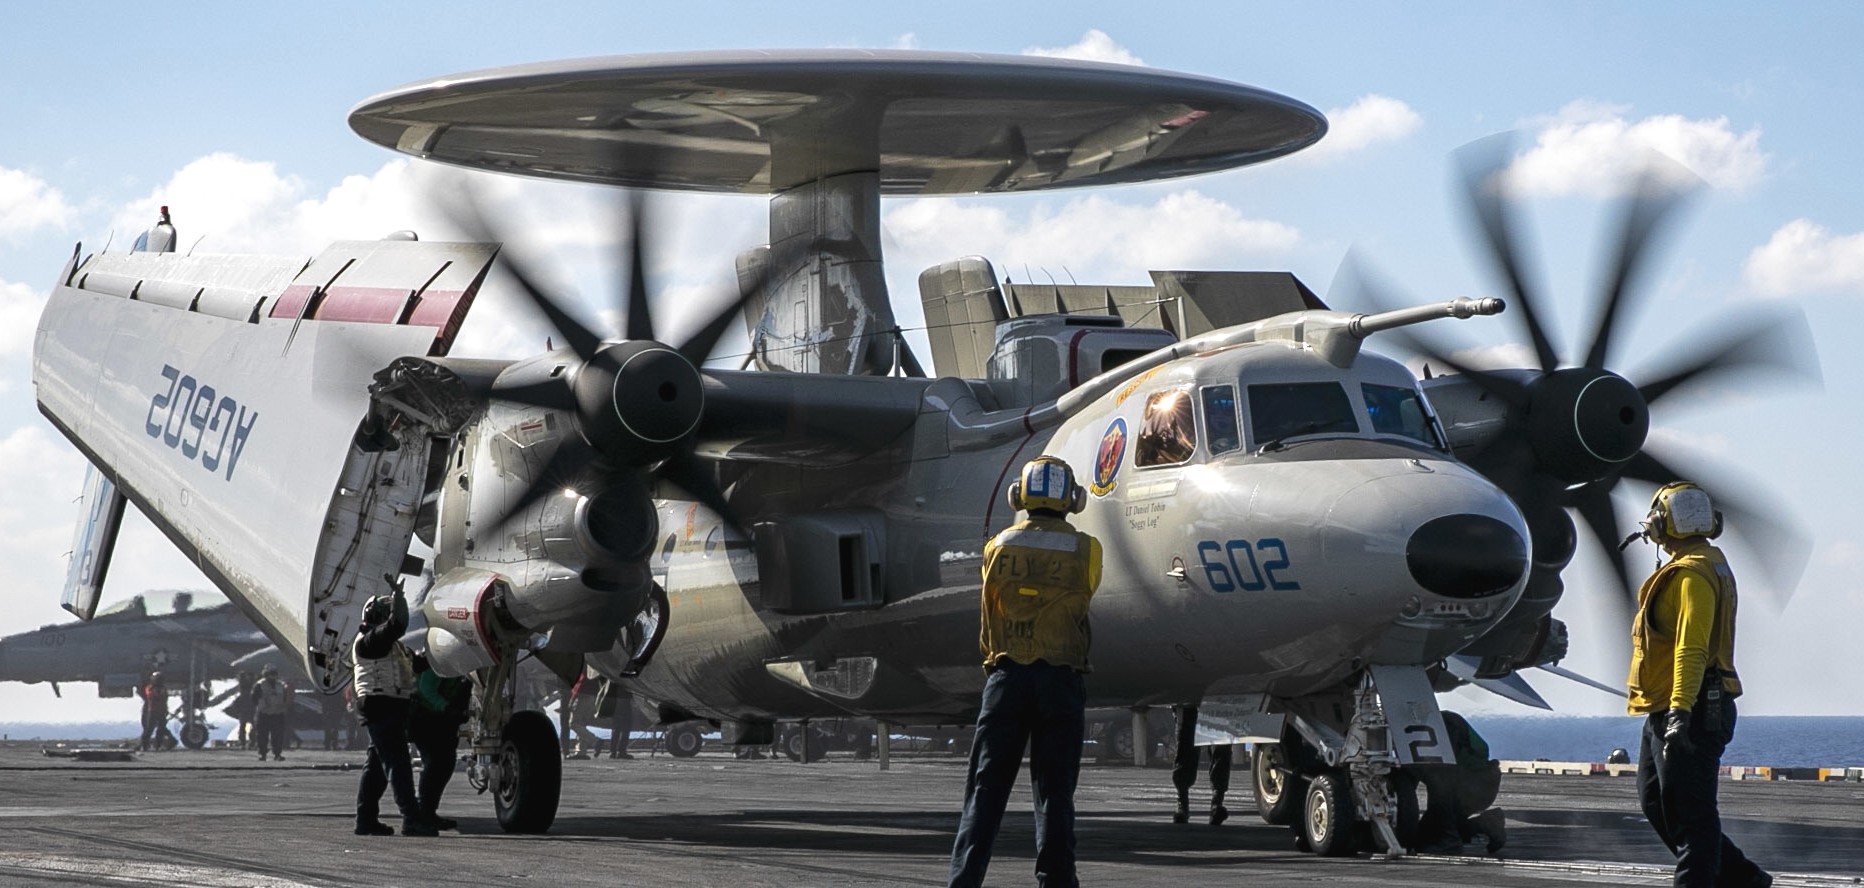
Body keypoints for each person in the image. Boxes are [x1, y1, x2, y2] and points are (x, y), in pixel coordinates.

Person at [947, 456, 1101, 888]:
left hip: (1006, 680)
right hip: (1060, 681)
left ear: (1020, 495)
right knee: (1055, 795)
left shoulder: (997, 546)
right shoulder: (1086, 549)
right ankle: (1056, 881)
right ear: (1072, 500)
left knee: (984, 793)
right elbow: (1087, 591)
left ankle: (964, 881)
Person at [1624, 482, 1771, 888]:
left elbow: (1692, 648)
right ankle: (1745, 878)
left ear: (1660, 522)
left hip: (1690, 707)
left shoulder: (1692, 574)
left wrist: (1680, 712)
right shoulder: (1707, 562)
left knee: (1693, 818)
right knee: (1655, 801)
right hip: (1669, 705)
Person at [352, 586, 437, 838]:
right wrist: (400, 597)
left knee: (377, 768)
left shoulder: (392, 647)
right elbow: (398, 624)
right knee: (398, 765)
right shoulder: (371, 641)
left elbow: (420, 663)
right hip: (381, 707)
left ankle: (365, 820)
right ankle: (411, 819)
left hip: (388, 708)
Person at [1408, 710, 1505, 855]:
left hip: (1472, 786)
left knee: (1429, 836)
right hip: (1473, 785)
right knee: (1420, 837)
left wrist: (1447, 838)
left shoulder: (1446, 724)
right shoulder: (1429, 726)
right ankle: (1486, 824)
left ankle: (1449, 840)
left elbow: (1441, 781)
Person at [409, 652, 471, 831]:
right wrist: (446, 707)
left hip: (442, 722)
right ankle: (425, 812)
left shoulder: (458, 665)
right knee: (436, 764)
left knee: (444, 764)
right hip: (427, 720)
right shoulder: (442, 660)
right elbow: (425, 688)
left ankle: (427, 811)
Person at [1168, 705, 1232, 825]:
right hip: (1188, 697)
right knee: (1185, 745)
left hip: (1214, 699)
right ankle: (1183, 803)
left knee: (1220, 747)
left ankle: (1216, 803)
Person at [252, 664, 290, 760]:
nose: (273, 676)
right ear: (266, 674)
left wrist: (283, 707)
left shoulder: (280, 685)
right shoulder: (260, 685)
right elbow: (254, 698)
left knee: (278, 736)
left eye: (274, 674)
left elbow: (285, 697)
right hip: (264, 713)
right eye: (270, 674)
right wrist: (261, 705)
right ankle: (262, 754)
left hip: (278, 714)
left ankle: (277, 754)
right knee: (262, 735)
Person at [137, 670, 175, 751]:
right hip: (153, 711)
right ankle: (144, 745)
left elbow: (164, 698)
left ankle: (158, 745)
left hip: (161, 711)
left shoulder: (163, 688)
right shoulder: (150, 688)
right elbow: (151, 696)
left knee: (160, 729)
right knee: (149, 729)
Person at [566, 670, 600, 759]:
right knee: (582, 724)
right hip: (592, 697)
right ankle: (581, 751)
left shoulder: (581, 668)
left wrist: (572, 700)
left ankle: (595, 741)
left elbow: (578, 684)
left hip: (582, 696)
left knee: (573, 723)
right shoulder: (594, 669)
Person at [599, 678, 634, 759]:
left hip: (615, 699)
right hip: (624, 698)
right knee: (626, 727)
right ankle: (621, 751)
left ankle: (613, 751)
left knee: (616, 727)